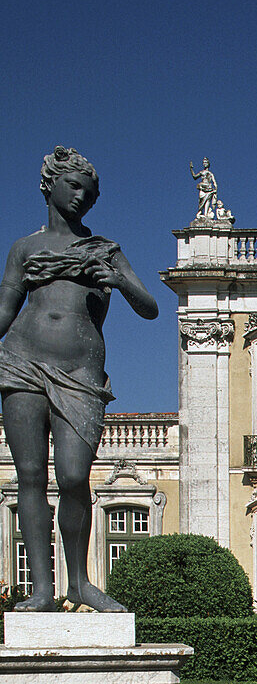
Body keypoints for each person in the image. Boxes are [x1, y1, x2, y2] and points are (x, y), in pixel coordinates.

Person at [0, 147, 158, 612]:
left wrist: (117, 279)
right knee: (29, 477)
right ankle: (43, 590)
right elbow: (6, 312)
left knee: (73, 476)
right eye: (74, 188)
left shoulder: (104, 249)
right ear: (50, 186)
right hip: (21, 362)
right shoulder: (25, 249)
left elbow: (149, 307)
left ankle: (80, 583)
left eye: (89, 194)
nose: (82, 199)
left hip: (81, 371)